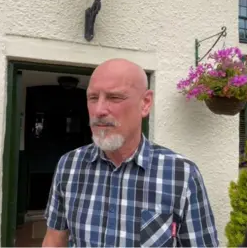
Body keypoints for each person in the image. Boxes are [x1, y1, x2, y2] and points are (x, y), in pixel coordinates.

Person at [42, 58, 219, 247]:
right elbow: (54, 239)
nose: (99, 110)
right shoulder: (69, 165)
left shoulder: (182, 174)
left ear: (145, 103)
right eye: (93, 98)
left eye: (114, 97)